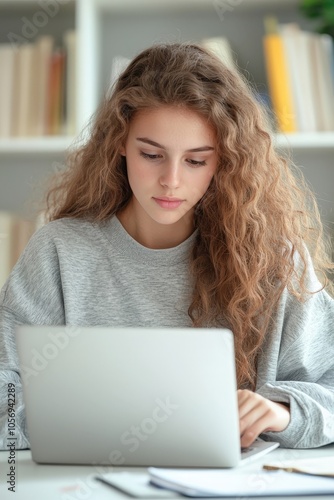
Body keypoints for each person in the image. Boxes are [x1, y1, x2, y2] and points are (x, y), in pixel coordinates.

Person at [0, 42, 334, 452]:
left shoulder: (275, 258)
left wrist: (284, 411)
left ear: (225, 160)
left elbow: (328, 386)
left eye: (196, 161)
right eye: (152, 154)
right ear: (119, 143)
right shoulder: (59, 253)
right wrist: (88, 423)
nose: (171, 181)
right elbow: (5, 398)